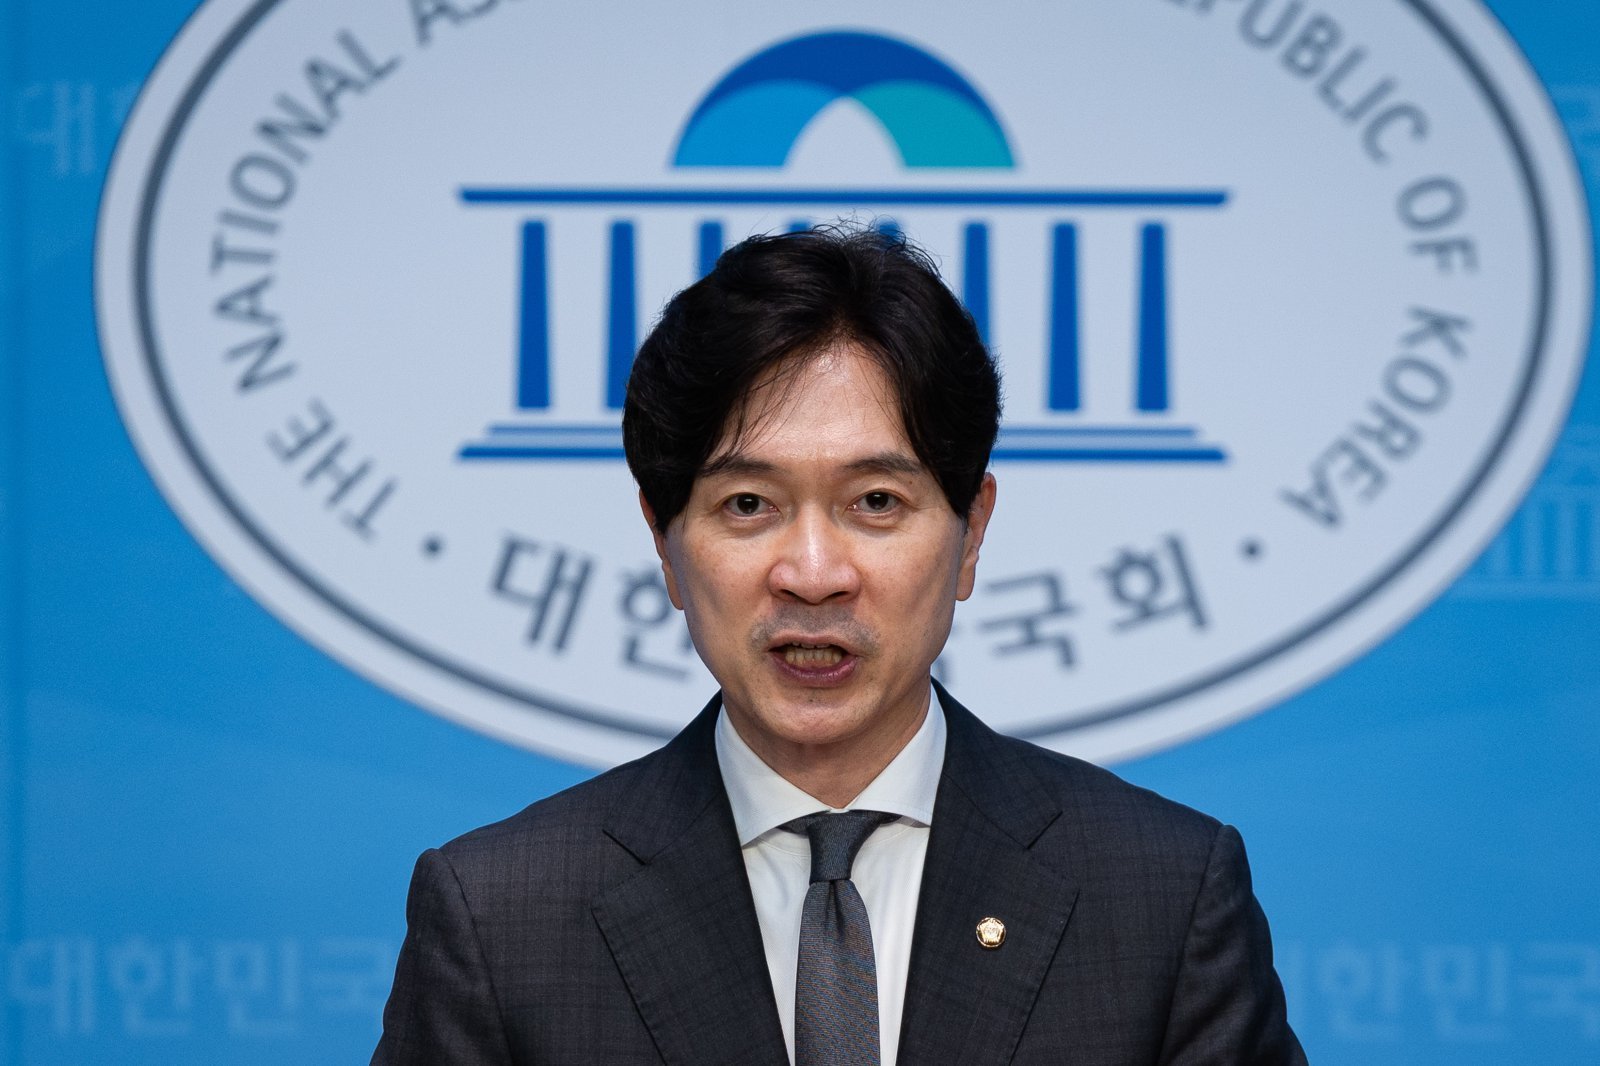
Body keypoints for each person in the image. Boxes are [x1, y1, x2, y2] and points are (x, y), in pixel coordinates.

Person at [372, 226, 1307, 1065]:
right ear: (664, 541)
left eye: (876, 502)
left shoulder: (1162, 897)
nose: (813, 574)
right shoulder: (502, 917)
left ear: (971, 532)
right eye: (748, 504)